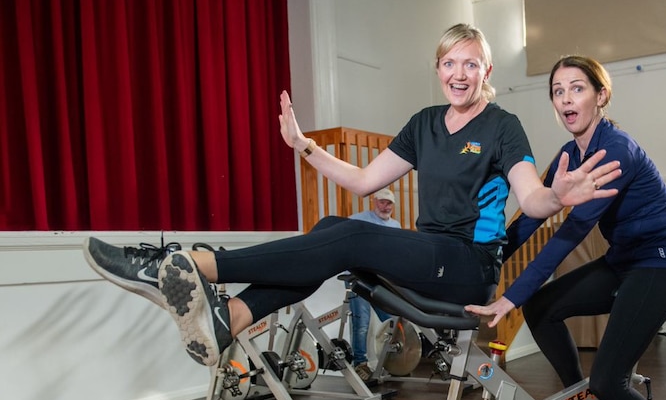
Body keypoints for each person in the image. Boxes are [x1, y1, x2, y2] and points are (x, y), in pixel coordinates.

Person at [83, 24, 621, 371]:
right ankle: (234, 317)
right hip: (426, 252)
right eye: (449, 63)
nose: (459, 74)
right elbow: (365, 181)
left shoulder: (504, 126)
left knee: (354, 236)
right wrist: (304, 146)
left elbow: (528, 198)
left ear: (486, 72)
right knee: (329, 232)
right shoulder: (425, 124)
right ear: (438, 70)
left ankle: (194, 265)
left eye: (471, 64)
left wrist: (556, 195)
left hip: (467, 265)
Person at [465, 55, 666, 400]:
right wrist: (489, 259)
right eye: (558, 91)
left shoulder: (615, 151)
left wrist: (511, 295)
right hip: (624, 262)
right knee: (545, 307)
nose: (567, 99)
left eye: (577, 88)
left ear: (600, 95)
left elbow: (567, 234)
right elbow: (535, 214)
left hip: (663, 266)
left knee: (610, 377)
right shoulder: (570, 157)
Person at [346, 188, 401, 380]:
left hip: (381, 282)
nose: (385, 206)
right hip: (358, 280)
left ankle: (394, 361)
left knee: (391, 320)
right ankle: (360, 365)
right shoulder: (358, 220)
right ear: (374, 201)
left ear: (393, 205)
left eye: (389, 203)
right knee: (361, 323)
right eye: (382, 202)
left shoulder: (395, 226)